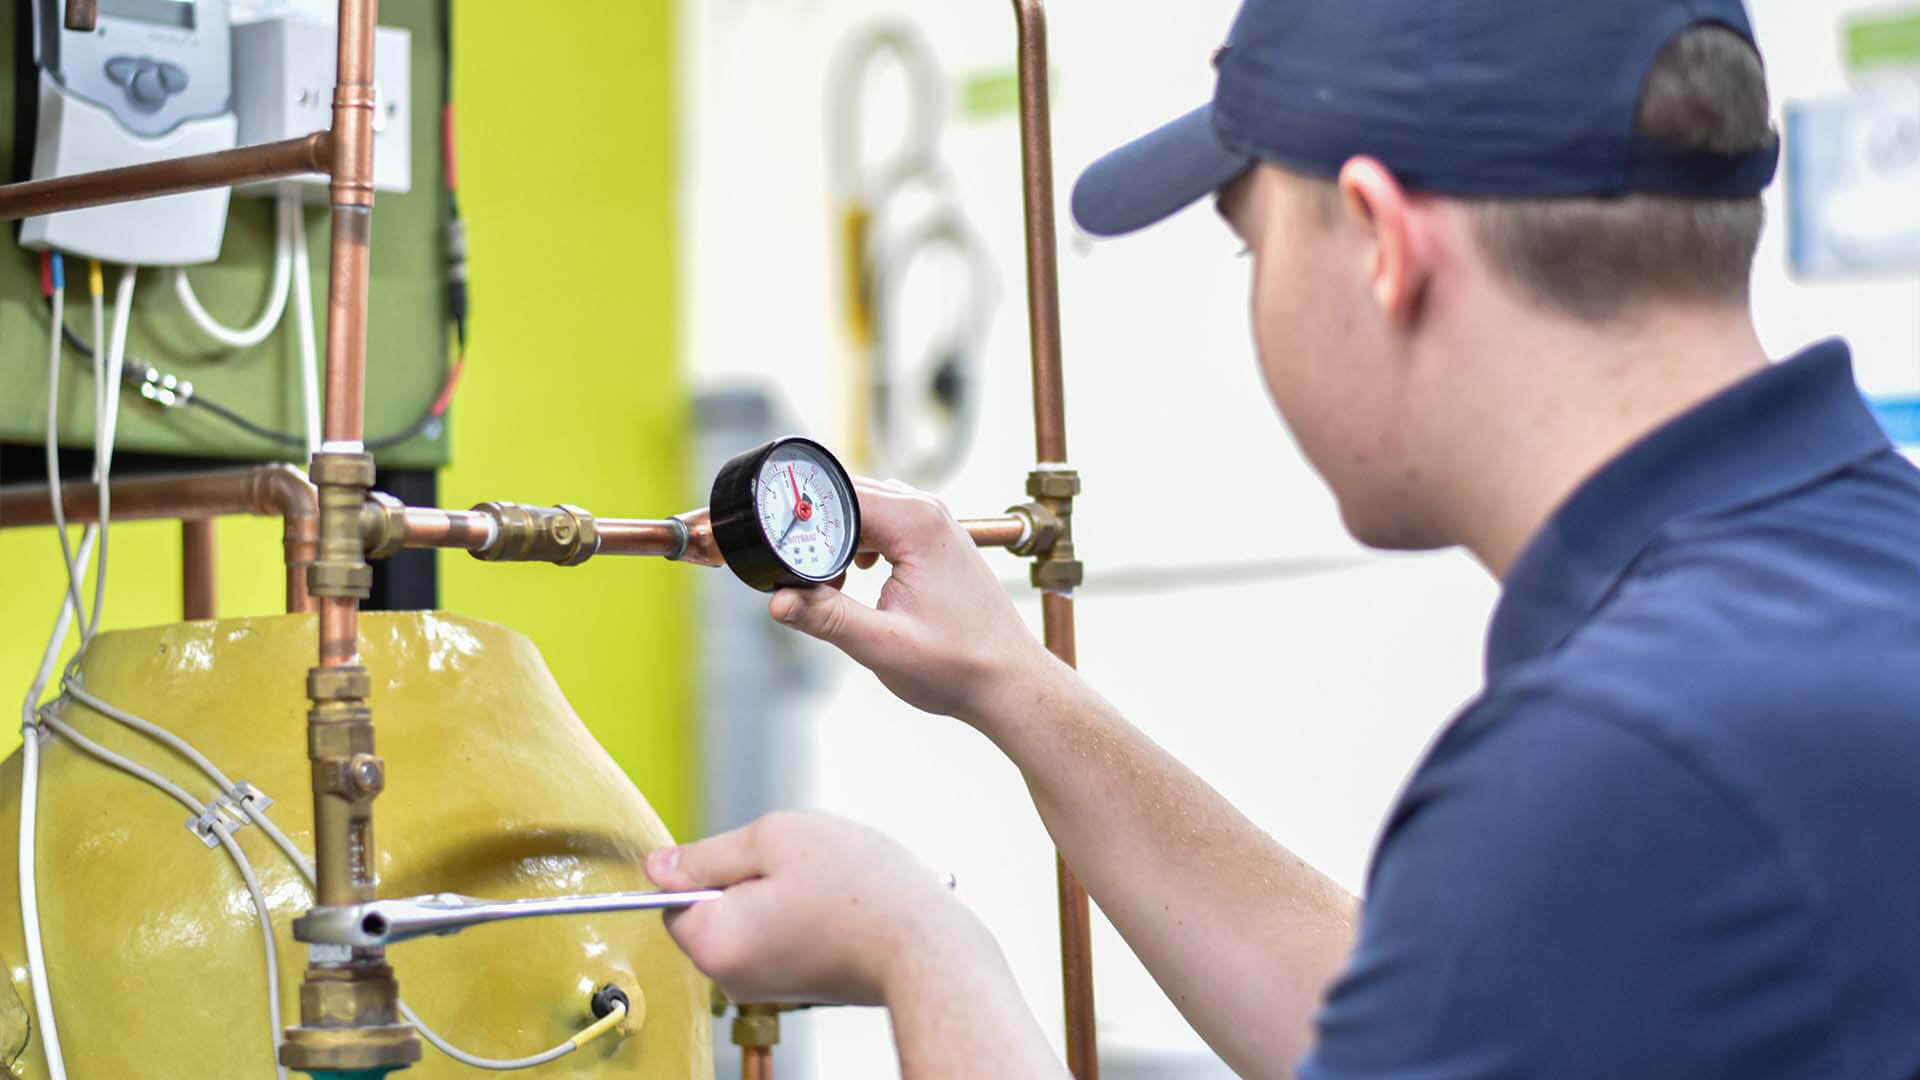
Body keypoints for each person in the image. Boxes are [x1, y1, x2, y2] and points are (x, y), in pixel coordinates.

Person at [646, 0, 1920, 1076]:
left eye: (1252, 243)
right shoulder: (1840, 595)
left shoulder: (1629, 757)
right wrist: (1012, 686)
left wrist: (914, 947)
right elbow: (1429, 1020)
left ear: (1379, 243)